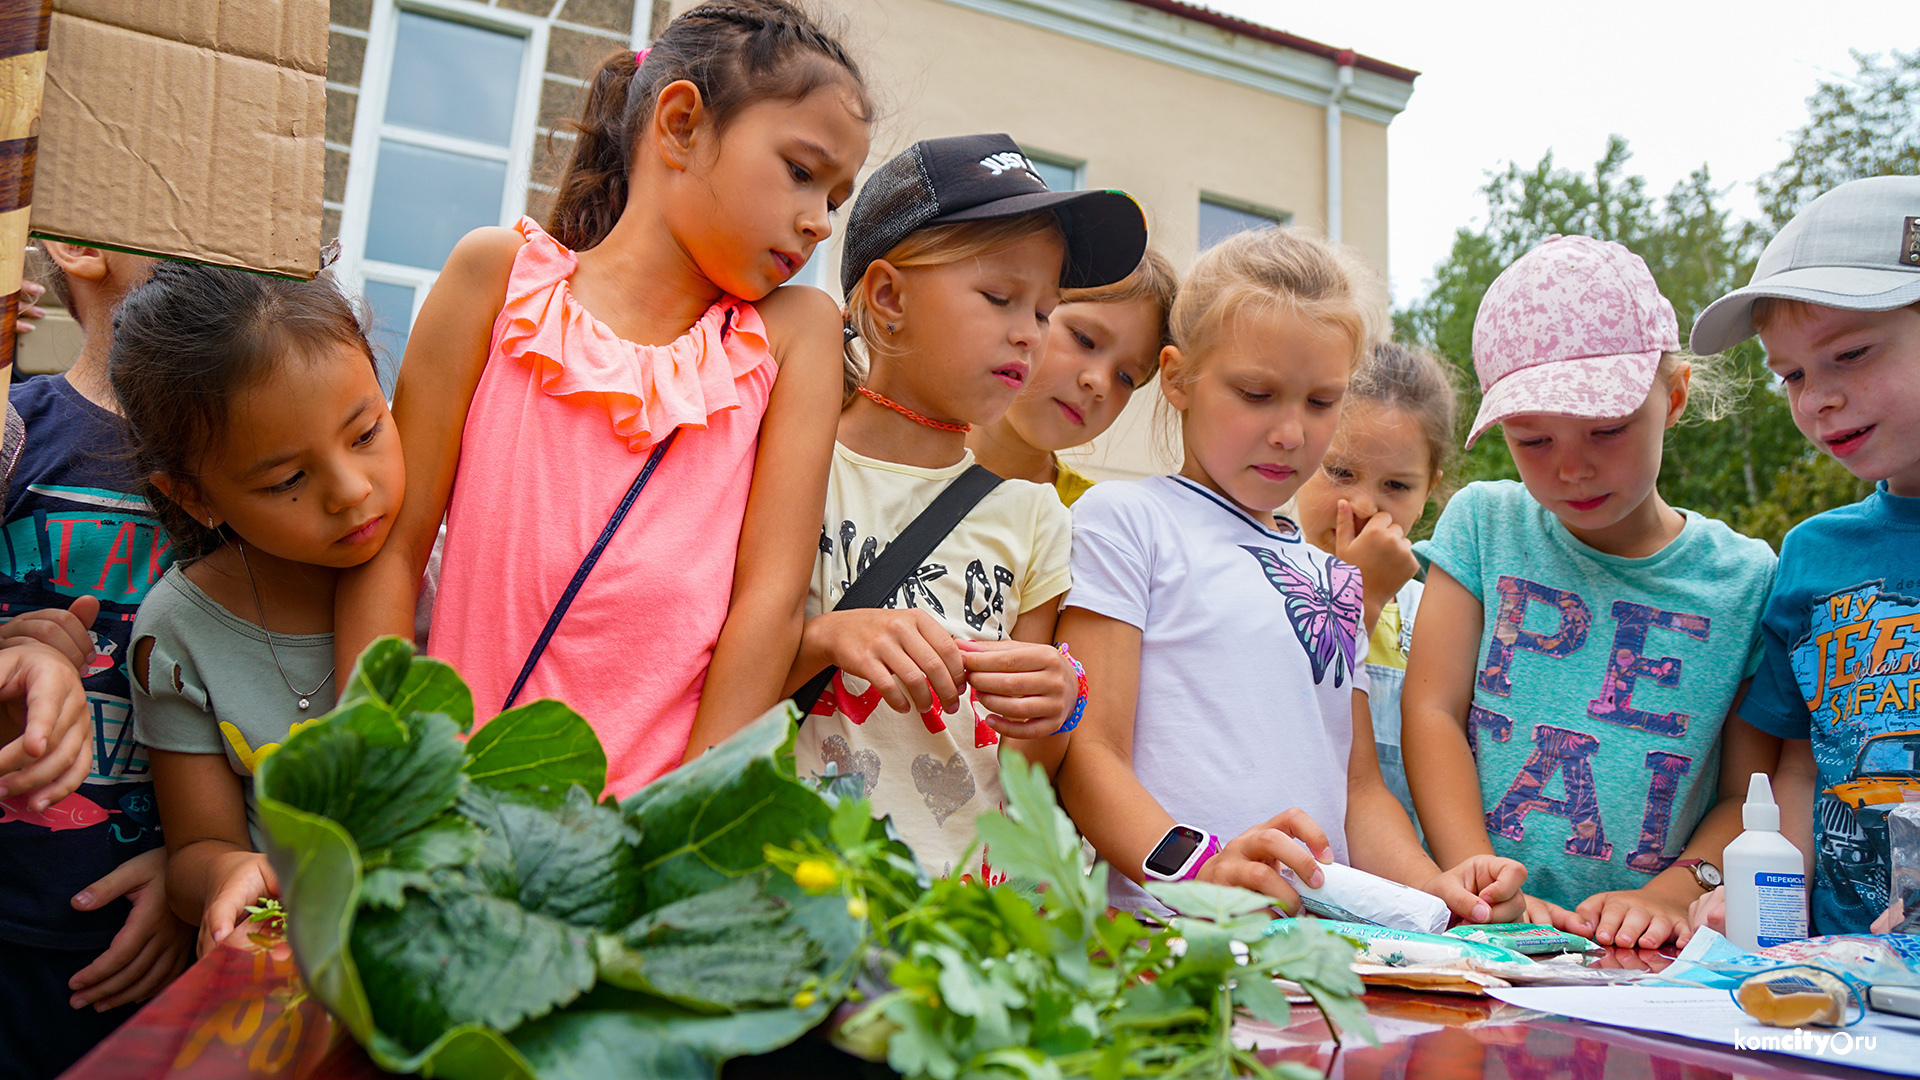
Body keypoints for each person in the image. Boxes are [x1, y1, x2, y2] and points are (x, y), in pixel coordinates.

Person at [335, 1, 870, 798]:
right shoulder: (496, 278)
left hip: (640, 842)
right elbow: (394, 548)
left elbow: (769, 601)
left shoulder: (795, 334)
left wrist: (674, 828)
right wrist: (380, 772)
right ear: (681, 124)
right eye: (801, 171)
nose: (820, 223)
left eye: (835, 197)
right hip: (448, 808)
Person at [1054, 227, 1525, 920]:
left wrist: (1434, 890)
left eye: (1320, 401)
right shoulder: (1127, 520)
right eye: (1256, 393)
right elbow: (1089, 755)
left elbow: (1359, 789)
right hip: (1168, 942)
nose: (1290, 432)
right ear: (1179, 379)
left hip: (1322, 952)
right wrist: (1201, 868)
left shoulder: (1333, 578)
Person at [1401, 236, 1779, 950]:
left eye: (1606, 430)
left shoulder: (1746, 580)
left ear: (1673, 396)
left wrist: (1673, 892)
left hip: (1643, 954)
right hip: (1477, 931)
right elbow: (1431, 710)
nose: (1572, 469)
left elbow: (1746, 795)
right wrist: (1476, 872)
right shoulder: (1484, 525)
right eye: (1533, 440)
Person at [785, 133, 1146, 881]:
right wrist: (826, 639)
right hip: (796, 890)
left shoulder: (1036, 516)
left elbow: (1027, 771)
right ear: (888, 299)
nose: (1029, 334)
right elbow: (711, 678)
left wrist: (1056, 705)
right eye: (999, 297)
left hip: (959, 922)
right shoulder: (788, 464)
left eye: (1046, 312)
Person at [113, 264, 405, 957]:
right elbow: (194, 852)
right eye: (287, 480)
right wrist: (228, 871)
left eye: (365, 432)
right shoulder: (177, 633)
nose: (351, 490)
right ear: (192, 496)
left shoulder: (444, 570)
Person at [1683, 176, 1920, 937]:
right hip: (1842, 980)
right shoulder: (1815, 554)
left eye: (1848, 353)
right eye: (1791, 374)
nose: (1816, 397)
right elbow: (1799, 763)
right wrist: (1762, 890)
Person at [0, 243, 192, 1080]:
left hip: (125, 953)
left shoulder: (242, 478)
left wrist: (195, 863)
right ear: (85, 253)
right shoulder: (15, 431)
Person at [1292, 341, 1456, 835]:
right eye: (1340, 472)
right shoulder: (1260, 580)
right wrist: (1357, 597)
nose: (1363, 504)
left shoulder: (1439, 614)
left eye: (1397, 486)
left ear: (1429, 492)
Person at [966, 249, 1177, 506]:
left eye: (1126, 377)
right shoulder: (905, 447)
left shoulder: (1098, 524)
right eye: (1084, 338)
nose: (1100, 383)